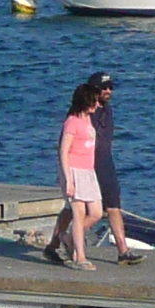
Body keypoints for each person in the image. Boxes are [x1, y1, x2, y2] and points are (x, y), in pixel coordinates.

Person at [47, 74, 108, 269]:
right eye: (94, 102)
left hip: (88, 172)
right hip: (73, 171)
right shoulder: (72, 122)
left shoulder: (88, 120)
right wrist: (69, 180)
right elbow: (63, 151)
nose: (98, 106)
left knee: (97, 213)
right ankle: (79, 256)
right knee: (78, 212)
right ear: (86, 103)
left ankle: (68, 238)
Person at [86, 71, 140, 264]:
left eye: (110, 88)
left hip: (105, 162)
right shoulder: (85, 112)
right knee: (79, 210)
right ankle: (60, 241)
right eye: (104, 88)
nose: (108, 91)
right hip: (86, 164)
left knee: (114, 206)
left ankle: (123, 251)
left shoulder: (107, 109)